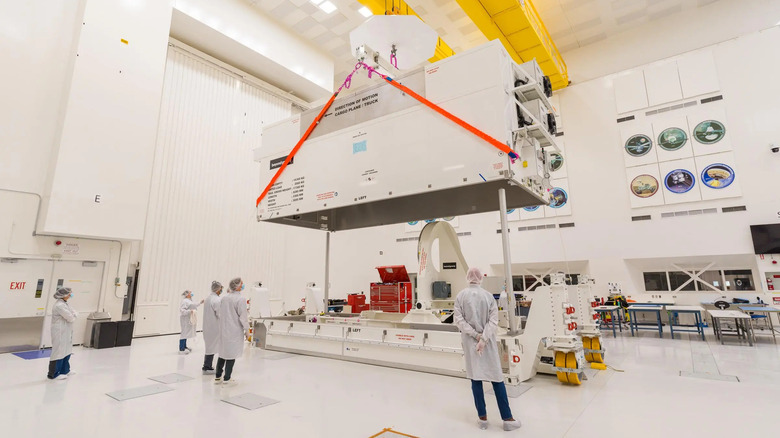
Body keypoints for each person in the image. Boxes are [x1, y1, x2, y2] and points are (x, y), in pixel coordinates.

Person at [454, 268, 521, 431]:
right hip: (488, 343)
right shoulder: (488, 296)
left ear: (467, 278)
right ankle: (508, 419)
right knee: (497, 378)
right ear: (480, 278)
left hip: (470, 343)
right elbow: (493, 322)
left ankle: (482, 419)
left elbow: (459, 321)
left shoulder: (460, 296)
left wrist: (475, 336)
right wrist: (483, 338)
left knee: (475, 379)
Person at [215, 277, 249, 385]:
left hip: (224, 329)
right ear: (238, 286)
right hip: (234, 330)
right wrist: (247, 329)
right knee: (231, 354)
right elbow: (243, 316)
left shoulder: (225, 298)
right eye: (242, 283)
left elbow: (220, 313)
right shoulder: (241, 299)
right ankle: (227, 378)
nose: (243, 285)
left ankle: (217, 376)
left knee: (223, 352)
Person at [48, 287, 78, 380]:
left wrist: (73, 314)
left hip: (66, 331)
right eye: (69, 294)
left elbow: (74, 312)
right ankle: (54, 374)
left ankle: (65, 370)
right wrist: (73, 315)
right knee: (58, 351)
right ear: (64, 295)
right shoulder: (59, 306)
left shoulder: (65, 304)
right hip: (59, 331)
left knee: (67, 350)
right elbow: (71, 317)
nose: (70, 295)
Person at [202, 281, 223, 373]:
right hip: (214, 327)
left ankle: (207, 365)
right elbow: (220, 314)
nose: (221, 290)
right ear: (218, 289)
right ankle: (207, 367)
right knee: (212, 347)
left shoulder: (208, 298)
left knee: (210, 346)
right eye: (221, 288)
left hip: (208, 326)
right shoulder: (216, 300)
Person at [179, 290, 203, 354]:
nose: (191, 293)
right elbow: (182, 310)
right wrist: (190, 311)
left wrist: (200, 302)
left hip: (188, 319)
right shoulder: (184, 301)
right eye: (190, 292)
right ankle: (181, 349)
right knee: (184, 333)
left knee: (186, 333)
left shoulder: (189, 300)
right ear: (187, 294)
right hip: (185, 319)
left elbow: (193, 305)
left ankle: (184, 347)